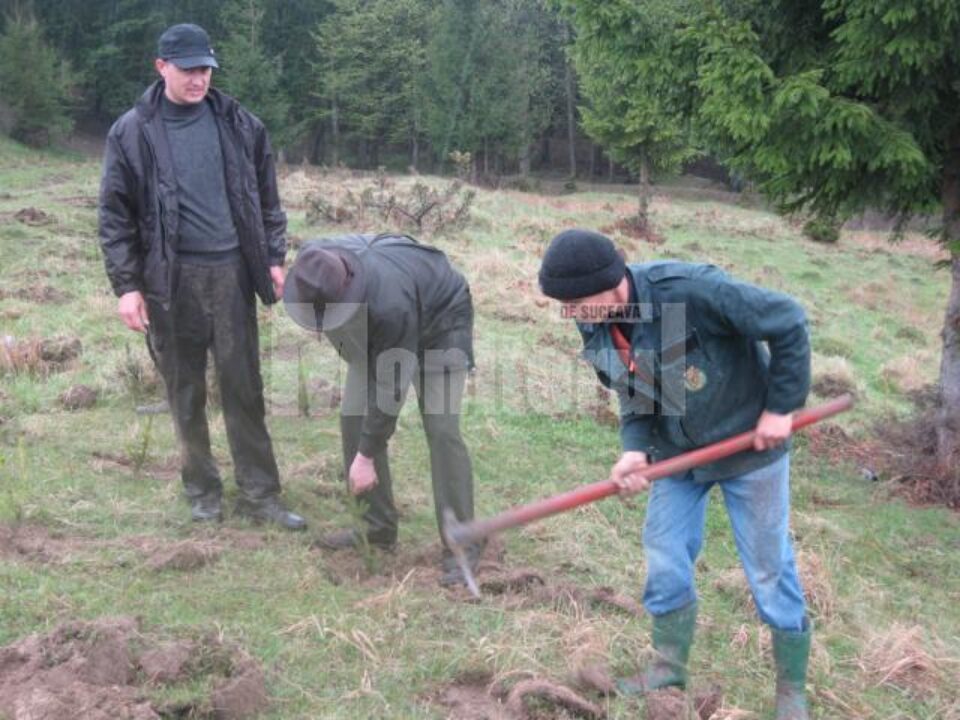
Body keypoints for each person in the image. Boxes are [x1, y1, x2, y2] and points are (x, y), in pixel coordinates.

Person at [538, 229, 813, 720]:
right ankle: (668, 666)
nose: (571, 313)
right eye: (564, 304)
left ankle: (791, 690)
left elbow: (788, 319)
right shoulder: (596, 322)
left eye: (577, 302)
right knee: (664, 556)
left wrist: (780, 408)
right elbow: (634, 392)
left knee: (769, 569)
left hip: (751, 447)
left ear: (612, 281)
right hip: (677, 454)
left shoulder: (692, 290)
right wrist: (633, 451)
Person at [98, 23, 305, 530]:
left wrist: (273, 257)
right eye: (189, 69)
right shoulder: (132, 131)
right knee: (185, 392)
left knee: (244, 388)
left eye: (206, 69)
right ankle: (202, 492)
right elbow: (115, 216)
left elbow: (267, 198)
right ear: (161, 66)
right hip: (170, 283)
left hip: (233, 275)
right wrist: (127, 286)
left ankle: (260, 495)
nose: (199, 79)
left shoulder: (240, 124)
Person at [283, 233, 482, 586]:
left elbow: (391, 386)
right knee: (353, 417)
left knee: (441, 430)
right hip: (385, 323)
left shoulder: (390, 305)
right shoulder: (320, 266)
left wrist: (366, 456)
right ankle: (376, 528)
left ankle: (462, 543)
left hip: (442, 322)